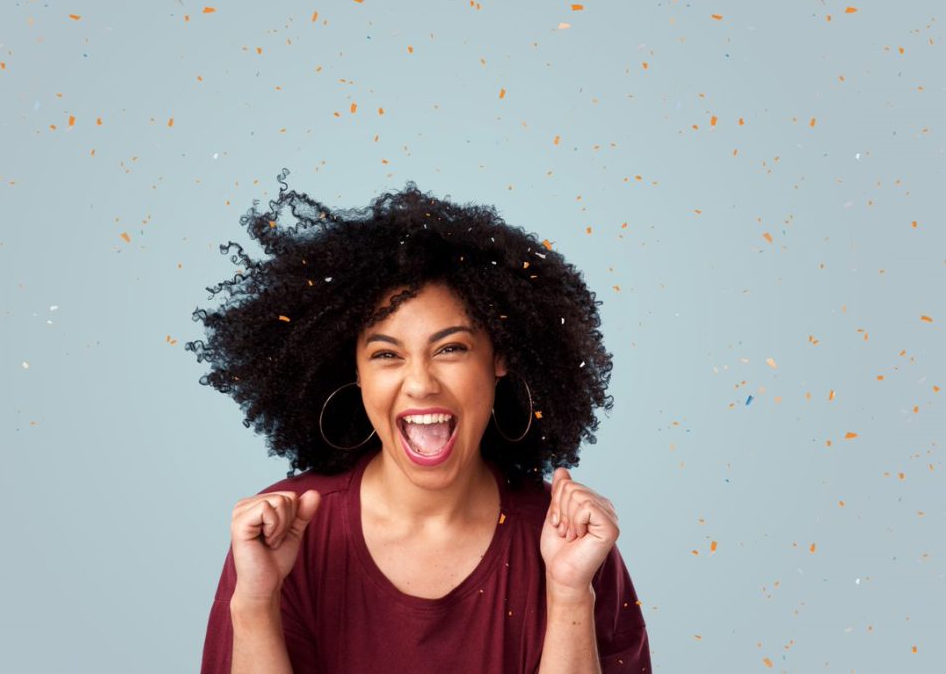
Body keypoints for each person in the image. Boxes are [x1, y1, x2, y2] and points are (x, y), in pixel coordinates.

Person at [188, 174, 652, 673]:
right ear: (356, 374)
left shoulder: (568, 539)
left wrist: (568, 594)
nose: (420, 383)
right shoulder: (286, 536)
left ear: (501, 357)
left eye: (450, 348)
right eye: (387, 354)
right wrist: (255, 603)